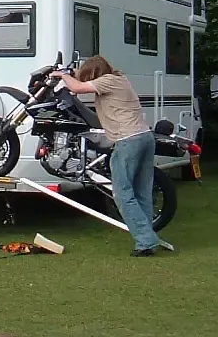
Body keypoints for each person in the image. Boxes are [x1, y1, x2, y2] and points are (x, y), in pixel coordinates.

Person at [51, 55, 165, 257]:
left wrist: (60, 75)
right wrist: (69, 75)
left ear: (94, 72)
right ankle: (146, 240)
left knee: (121, 193)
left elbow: (78, 88)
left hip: (128, 140)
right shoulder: (120, 79)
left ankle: (146, 240)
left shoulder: (108, 81)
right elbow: (79, 82)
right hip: (145, 137)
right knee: (141, 192)